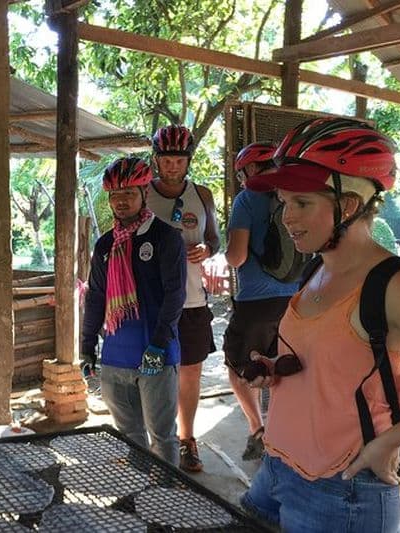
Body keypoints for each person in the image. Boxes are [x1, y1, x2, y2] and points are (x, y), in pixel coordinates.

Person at [237, 117, 400, 532]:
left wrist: (389, 441)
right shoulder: (315, 270)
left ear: (348, 205)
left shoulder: (394, 284)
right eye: (283, 202)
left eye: (301, 203)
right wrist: (276, 369)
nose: (286, 217)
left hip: (342, 492)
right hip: (277, 467)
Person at [81, 156, 187, 466]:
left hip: (156, 356)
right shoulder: (104, 246)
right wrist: (87, 346)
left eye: (129, 193)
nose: (121, 201)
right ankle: (139, 496)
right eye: (115, 195)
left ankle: (166, 499)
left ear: (145, 193)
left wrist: (159, 344)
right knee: (128, 435)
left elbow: (174, 296)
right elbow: (96, 298)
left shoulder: (166, 238)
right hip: (116, 357)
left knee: (163, 435)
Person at [147, 124, 220, 472]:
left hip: (191, 300)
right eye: (166, 159)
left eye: (178, 159)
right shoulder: (140, 194)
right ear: (156, 160)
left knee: (190, 372)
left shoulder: (202, 195)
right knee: (149, 371)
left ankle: (186, 439)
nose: (172, 166)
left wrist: (208, 248)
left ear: (188, 160)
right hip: (150, 302)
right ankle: (151, 439)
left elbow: (215, 238)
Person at [223, 142, 297, 461]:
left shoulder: (246, 200)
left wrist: (225, 253)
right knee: (286, 367)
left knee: (239, 365)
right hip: (296, 300)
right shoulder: (294, 196)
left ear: (249, 171)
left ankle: (258, 429)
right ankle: (285, 433)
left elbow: (237, 256)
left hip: (256, 301)